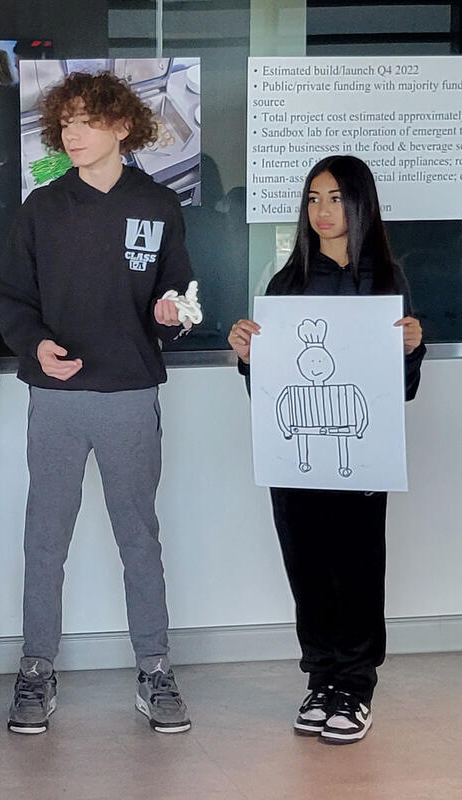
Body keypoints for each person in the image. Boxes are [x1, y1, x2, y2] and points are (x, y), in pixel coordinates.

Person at [0, 70, 195, 736]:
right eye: (65, 123)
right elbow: (10, 298)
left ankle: (156, 668)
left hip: (131, 393)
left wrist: (173, 313)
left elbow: (184, 297)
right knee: (44, 539)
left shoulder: (160, 205)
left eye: (87, 120)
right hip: (56, 398)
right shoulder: (41, 209)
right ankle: (35, 668)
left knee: (140, 538)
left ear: (122, 126)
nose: (73, 133)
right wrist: (35, 346)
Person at [228, 155, 425, 744]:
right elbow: (269, 388)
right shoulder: (286, 282)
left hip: (361, 459)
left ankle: (356, 686)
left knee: (358, 569)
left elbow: (403, 391)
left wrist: (413, 348)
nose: (323, 210)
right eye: (314, 198)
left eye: (336, 198)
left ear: (361, 203)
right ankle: (321, 679)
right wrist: (247, 355)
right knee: (307, 568)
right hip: (297, 463)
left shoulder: (388, 281)